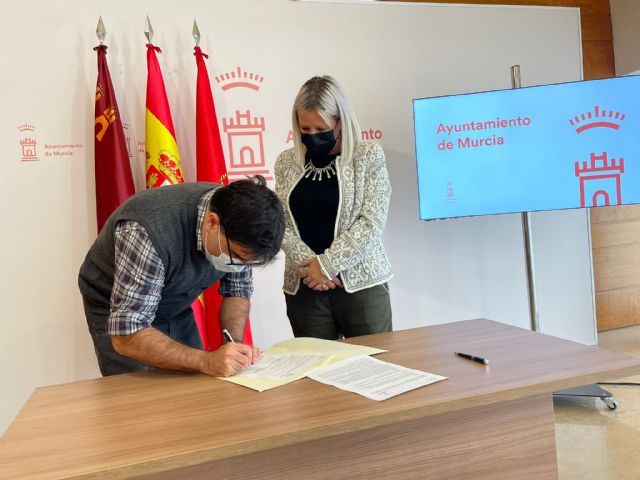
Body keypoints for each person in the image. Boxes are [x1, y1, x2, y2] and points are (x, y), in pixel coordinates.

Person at [78, 177, 285, 377]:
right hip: (119, 310)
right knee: (139, 400)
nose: (240, 265)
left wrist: (234, 344)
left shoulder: (241, 228)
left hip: (175, 303)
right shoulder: (147, 229)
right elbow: (127, 335)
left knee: (194, 388)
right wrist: (207, 360)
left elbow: (237, 292)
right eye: (237, 257)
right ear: (212, 223)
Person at [275, 75, 393, 340]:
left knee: (376, 369)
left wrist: (326, 266)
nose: (312, 136)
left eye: (320, 129)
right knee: (316, 373)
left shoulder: (367, 156)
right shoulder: (286, 162)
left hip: (361, 286)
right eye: (305, 130)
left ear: (340, 121)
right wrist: (311, 270)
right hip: (305, 288)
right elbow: (280, 220)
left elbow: (371, 222)